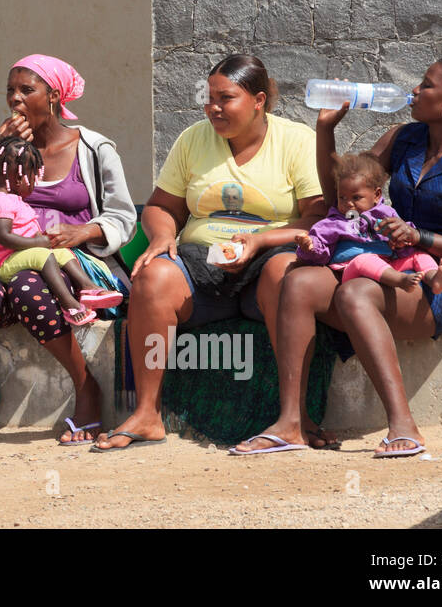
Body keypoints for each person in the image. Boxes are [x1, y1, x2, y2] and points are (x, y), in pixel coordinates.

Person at [234, 59, 442, 457]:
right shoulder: (403, 139)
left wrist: (422, 237)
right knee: (297, 279)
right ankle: (292, 423)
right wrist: (326, 129)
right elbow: (341, 199)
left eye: (425, 85)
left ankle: (404, 425)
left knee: (356, 292)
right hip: (388, 267)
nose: (414, 91)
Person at [92, 53, 329, 452]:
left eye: (226, 98)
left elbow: (318, 217)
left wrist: (258, 241)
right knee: (151, 276)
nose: (213, 108)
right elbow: (161, 207)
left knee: (287, 274)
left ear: (258, 100)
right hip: (202, 262)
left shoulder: (296, 140)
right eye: (209, 98)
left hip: (268, 259)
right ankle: (147, 413)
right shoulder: (193, 138)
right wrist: (162, 236)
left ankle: (297, 418)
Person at [0, 54, 137, 447]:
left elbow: (122, 215)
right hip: (6, 258)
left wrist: (85, 231)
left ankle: (87, 389)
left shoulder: (94, 147)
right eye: (10, 91)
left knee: (25, 283)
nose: (15, 100)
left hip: (73, 261)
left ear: (53, 96)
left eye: (26, 90)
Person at [0, 137, 106, 329]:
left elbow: (22, 231)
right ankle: (69, 304)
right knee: (44, 256)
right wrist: (39, 243)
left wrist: (41, 237)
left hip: (17, 256)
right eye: (33, 178)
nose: (35, 185)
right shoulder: (3, 202)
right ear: (20, 178)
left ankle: (88, 287)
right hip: (2, 262)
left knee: (62, 252)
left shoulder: (13, 200)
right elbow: (4, 237)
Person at [294, 152, 442, 294]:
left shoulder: (386, 215)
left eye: (356, 197)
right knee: (364, 259)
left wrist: (400, 240)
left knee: (418, 254)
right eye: (342, 197)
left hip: (389, 264)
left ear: (376, 195)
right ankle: (401, 281)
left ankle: (434, 278)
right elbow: (321, 246)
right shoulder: (333, 222)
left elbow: (404, 239)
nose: (348, 203)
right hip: (353, 271)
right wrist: (310, 245)